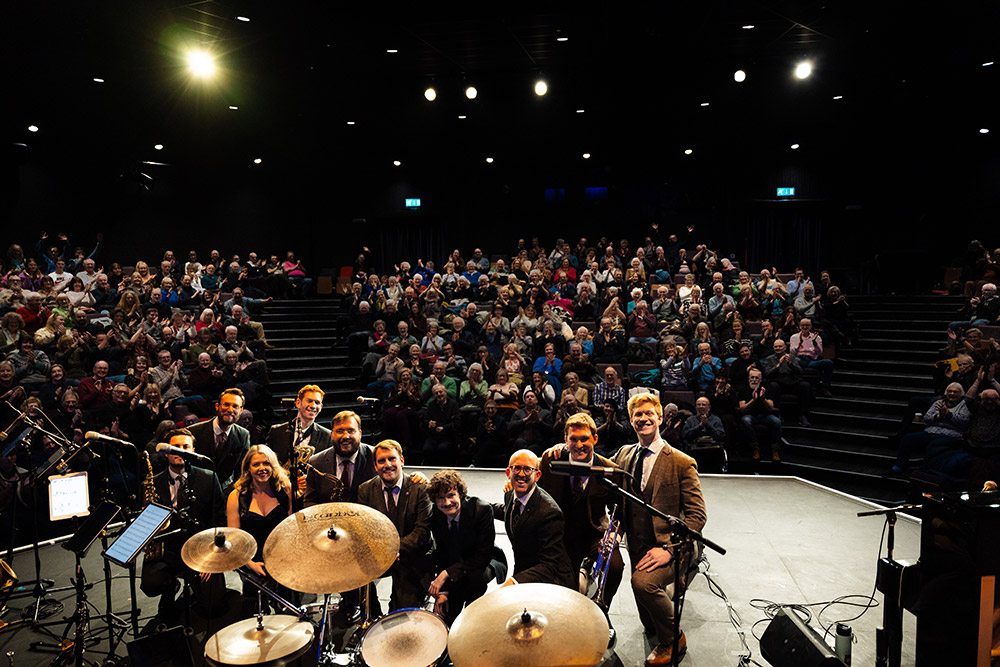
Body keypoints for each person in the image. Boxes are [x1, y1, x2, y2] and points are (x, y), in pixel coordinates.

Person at [610, 393, 707, 666]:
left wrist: (668, 550)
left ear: (660, 417)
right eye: (637, 415)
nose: (643, 419)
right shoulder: (624, 454)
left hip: (670, 547)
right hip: (637, 545)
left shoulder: (681, 462)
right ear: (631, 421)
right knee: (648, 624)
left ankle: (674, 640)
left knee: (643, 583)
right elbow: (598, 467)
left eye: (648, 414)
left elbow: (697, 515)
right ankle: (662, 618)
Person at [539, 413, 625, 607]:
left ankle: (601, 609)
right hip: (561, 536)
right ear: (565, 440)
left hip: (594, 534)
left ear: (595, 438)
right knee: (567, 592)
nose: (579, 445)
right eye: (573, 439)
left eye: (584, 439)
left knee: (615, 566)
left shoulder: (609, 469)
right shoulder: (550, 460)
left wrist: (613, 537)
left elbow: (618, 512)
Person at [141, 428, 226, 620]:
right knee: (151, 584)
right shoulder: (151, 483)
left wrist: (211, 558)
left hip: (201, 549)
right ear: (166, 452)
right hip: (168, 551)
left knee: (214, 607)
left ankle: (192, 592)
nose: (180, 451)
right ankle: (171, 586)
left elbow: (219, 520)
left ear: (193, 450)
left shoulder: (208, 477)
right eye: (175, 447)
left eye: (185, 447)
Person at [357, 439, 433, 612]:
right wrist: (383, 551)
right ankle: (371, 617)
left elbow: (422, 532)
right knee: (354, 576)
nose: (387, 465)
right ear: (375, 466)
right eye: (381, 461)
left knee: (401, 613)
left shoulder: (420, 488)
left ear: (402, 461)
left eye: (392, 459)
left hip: (412, 556)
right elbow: (366, 530)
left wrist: (394, 548)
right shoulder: (365, 490)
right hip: (381, 555)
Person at [491, 449, 575, 589]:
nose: (522, 474)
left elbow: (549, 566)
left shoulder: (550, 513)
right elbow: (509, 512)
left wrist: (513, 582)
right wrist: (474, 504)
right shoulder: (511, 494)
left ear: (537, 475)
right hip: (524, 573)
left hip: (553, 583)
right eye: (517, 468)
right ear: (508, 473)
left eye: (528, 469)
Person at [226, 445, 293, 614]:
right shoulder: (236, 496)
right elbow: (235, 539)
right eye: (256, 464)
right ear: (248, 468)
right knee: (255, 611)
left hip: (282, 556)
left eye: (266, 463)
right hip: (251, 559)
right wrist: (251, 565)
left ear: (273, 466)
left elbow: (292, 530)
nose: (262, 468)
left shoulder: (285, 489)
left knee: (286, 611)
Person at [426, 469, 496, 624]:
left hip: (484, 560)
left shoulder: (481, 510)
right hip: (455, 562)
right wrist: (443, 591)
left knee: (475, 580)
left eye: (451, 495)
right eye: (440, 498)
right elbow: (443, 552)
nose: (446, 503)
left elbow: (482, 556)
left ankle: (472, 620)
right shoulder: (436, 514)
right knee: (447, 616)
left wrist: (445, 574)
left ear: (460, 494)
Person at [189, 388, 252, 490]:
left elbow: (242, 470)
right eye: (226, 404)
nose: (230, 410)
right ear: (217, 406)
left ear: (241, 410)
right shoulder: (194, 432)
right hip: (197, 489)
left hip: (227, 492)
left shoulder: (243, 435)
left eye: (235, 406)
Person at [266, 383, 330, 467]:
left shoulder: (327, 436)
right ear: (298, 403)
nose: (313, 406)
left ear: (321, 407)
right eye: (309, 401)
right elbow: (267, 460)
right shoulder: (276, 431)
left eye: (317, 403)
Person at [762, 338, 814, 427]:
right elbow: (767, 374)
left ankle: (803, 415)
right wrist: (778, 365)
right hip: (779, 383)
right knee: (773, 386)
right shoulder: (769, 359)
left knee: (806, 386)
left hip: (792, 382)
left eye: (780, 346)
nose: (778, 348)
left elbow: (800, 371)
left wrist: (790, 364)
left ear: (785, 347)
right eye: (776, 347)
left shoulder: (792, 357)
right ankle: (777, 414)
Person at [738, 368, 782, 462]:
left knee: (777, 421)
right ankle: (755, 447)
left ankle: (775, 450)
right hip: (750, 415)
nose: (754, 380)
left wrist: (763, 398)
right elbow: (742, 409)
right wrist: (753, 400)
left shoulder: (766, 388)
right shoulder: (743, 389)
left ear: (760, 379)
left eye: (757, 378)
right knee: (745, 420)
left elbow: (771, 407)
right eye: (752, 377)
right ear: (749, 378)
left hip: (765, 415)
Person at [789, 318, 834, 396]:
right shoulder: (794, 337)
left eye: (807, 325)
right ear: (800, 326)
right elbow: (792, 353)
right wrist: (799, 343)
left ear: (810, 327)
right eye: (803, 325)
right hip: (798, 359)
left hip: (811, 361)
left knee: (828, 363)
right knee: (792, 360)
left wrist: (814, 343)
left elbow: (820, 353)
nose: (805, 327)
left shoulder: (817, 337)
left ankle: (824, 387)